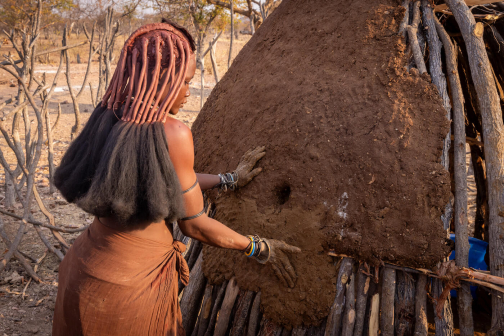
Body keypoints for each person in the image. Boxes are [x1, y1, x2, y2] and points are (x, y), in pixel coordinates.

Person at [52, 21, 300, 336]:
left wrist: (229, 179)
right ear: (163, 79)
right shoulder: (174, 132)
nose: (187, 91)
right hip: (131, 289)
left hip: (82, 270)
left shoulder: (110, 114)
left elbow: (160, 180)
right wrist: (258, 247)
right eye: (185, 81)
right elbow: (193, 224)